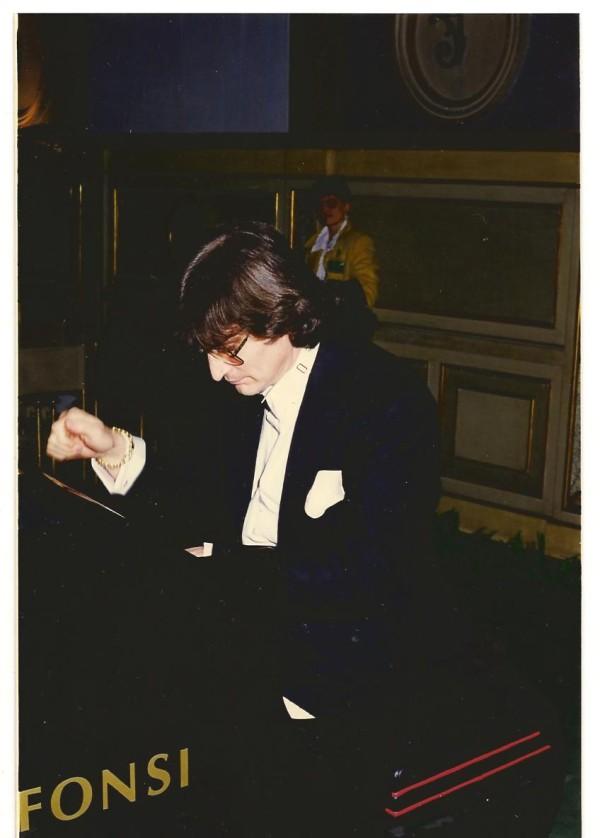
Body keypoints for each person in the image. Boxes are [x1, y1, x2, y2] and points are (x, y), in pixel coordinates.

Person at [46, 222, 562, 837]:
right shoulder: (244, 383)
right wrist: (111, 447)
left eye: (228, 350)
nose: (215, 372)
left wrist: (225, 568)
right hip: (247, 628)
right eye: (208, 352)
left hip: (344, 657)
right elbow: (196, 488)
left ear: (280, 317)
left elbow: (374, 568)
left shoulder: (386, 401)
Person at [304, 174, 379, 308]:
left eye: (331, 203)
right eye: (321, 205)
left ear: (346, 206)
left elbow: (368, 293)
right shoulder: (312, 244)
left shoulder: (359, 243)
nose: (325, 209)